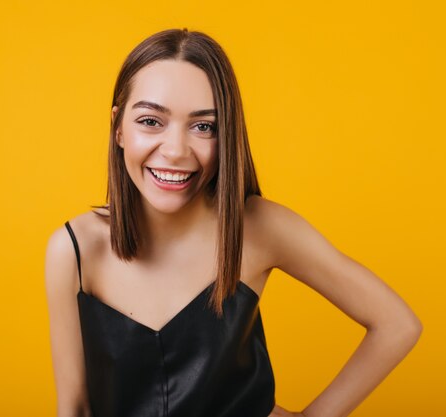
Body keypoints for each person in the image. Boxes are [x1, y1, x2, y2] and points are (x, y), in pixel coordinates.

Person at [44, 28, 422, 417]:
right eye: (151, 121)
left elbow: (396, 324)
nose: (175, 150)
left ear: (226, 135)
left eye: (204, 126)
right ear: (119, 128)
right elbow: (74, 407)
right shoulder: (73, 249)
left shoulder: (259, 227)